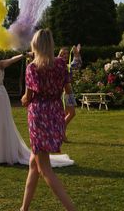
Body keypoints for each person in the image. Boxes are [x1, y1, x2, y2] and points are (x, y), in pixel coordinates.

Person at [0, 46, 73, 167]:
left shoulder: (1, 64)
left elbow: (13, 59)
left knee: (1, 123)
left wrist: (25, 55)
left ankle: (1, 153)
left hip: (0, 97)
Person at [20, 29, 76, 211]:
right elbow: (68, 90)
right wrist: (71, 108)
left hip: (38, 116)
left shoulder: (32, 68)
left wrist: (23, 99)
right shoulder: (61, 64)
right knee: (33, 164)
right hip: (55, 114)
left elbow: (27, 97)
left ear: (35, 45)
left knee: (44, 168)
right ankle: (24, 208)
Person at [58, 44, 82, 141]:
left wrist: (77, 54)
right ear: (59, 54)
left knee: (66, 114)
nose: (65, 55)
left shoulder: (63, 64)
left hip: (67, 92)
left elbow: (76, 65)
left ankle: (62, 135)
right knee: (72, 113)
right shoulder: (60, 64)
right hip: (66, 92)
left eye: (67, 54)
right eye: (63, 54)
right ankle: (60, 129)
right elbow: (75, 65)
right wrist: (76, 54)